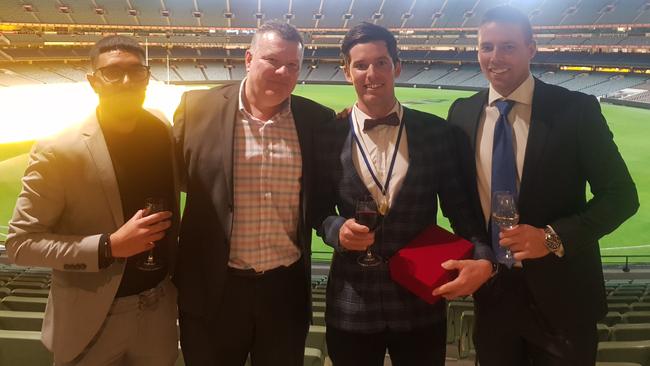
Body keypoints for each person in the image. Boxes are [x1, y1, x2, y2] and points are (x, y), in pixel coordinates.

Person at [447, 5, 639, 365]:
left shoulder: (576, 110)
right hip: (494, 295)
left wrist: (552, 238)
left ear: (531, 49)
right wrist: (479, 252)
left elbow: (622, 197)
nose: (495, 57)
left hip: (563, 300)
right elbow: (460, 203)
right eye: (486, 46)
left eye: (508, 46)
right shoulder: (462, 113)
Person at [312, 22, 491, 366]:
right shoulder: (326, 136)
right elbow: (317, 209)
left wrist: (483, 257)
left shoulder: (437, 133)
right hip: (352, 304)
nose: (372, 73)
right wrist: (337, 230)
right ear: (347, 71)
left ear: (397, 66)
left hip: (420, 302)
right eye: (361, 65)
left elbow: (462, 211)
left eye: (381, 62)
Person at [6, 35, 180, 365]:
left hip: (158, 313)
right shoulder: (58, 150)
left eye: (136, 71)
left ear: (147, 76)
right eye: (113, 72)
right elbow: (20, 244)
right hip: (93, 319)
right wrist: (108, 247)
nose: (127, 81)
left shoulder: (160, 127)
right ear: (93, 81)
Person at [172, 21, 334, 365]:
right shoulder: (197, 109)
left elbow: (320, 199)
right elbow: (172, 184)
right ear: (248, 59)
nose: (282, 72)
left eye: (292, 65)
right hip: (214, 291)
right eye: (272, 61)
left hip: (284, 292)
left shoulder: (317, 120)